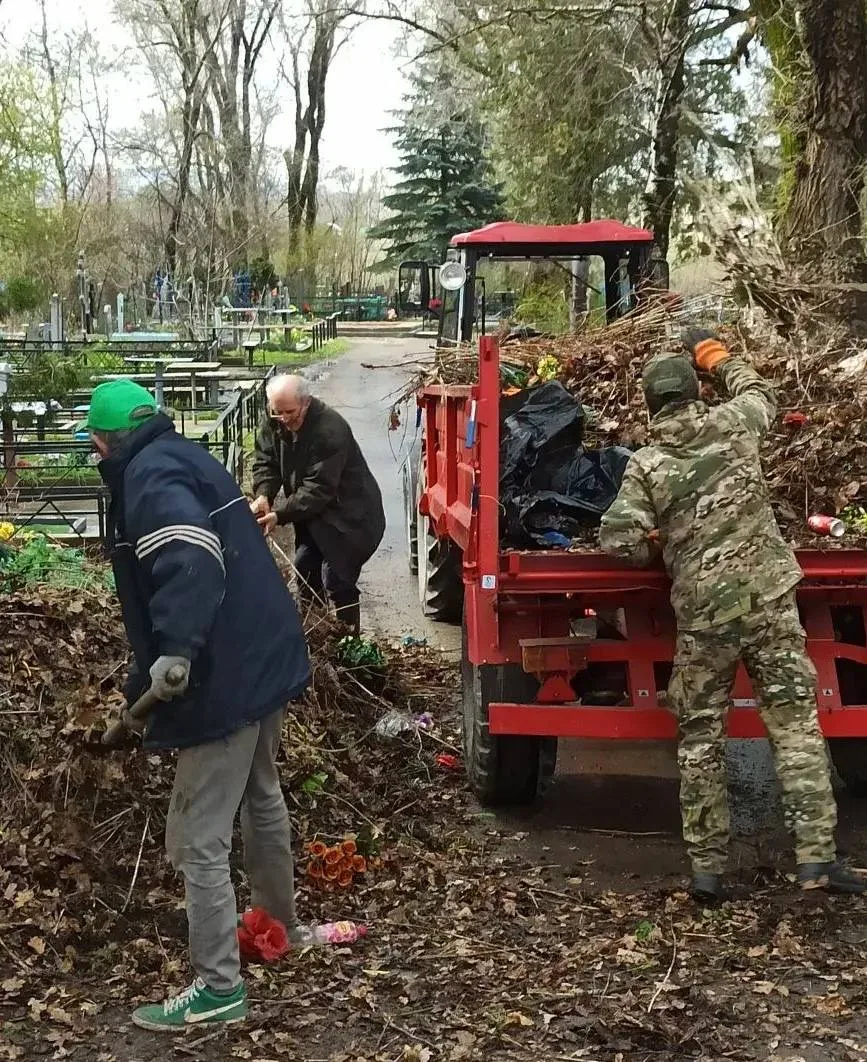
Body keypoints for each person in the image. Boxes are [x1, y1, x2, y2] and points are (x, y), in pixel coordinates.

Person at [599, 328, 866, 902]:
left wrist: (659, 539)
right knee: (795, 726)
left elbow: (618, 540)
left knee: (700, 738)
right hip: (770, 603)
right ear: (697, 390)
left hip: (704, 616)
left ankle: (707, 873)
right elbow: (762, 390)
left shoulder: (647, 464)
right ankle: (818, 861)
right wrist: (716, 355)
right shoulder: (736, 423)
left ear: (650, 404)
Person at [89, 379, 311, 1030]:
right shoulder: (183, 455)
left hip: (224, 672)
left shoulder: (147, 478)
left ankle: (219, 987)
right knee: (261, 793)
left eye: (97, 448)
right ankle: (280, 927)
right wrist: (140, 691)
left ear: (104, 443)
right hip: (263, 651)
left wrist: (177, 652)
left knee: (197, 838)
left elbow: (189, 558)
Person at [250, 373, 385, 635]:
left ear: (306, 403)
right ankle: (316, 637)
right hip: (316, 516)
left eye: (291, 412)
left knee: (336, 579)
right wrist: (264, 494)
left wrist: (279, 514)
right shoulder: (275, 420)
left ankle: (348, 643)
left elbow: (318, 488)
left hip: (350, 517)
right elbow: (266, 460)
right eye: (278, 413)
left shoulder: (331, 430)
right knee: (304, 570)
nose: (285, 420)